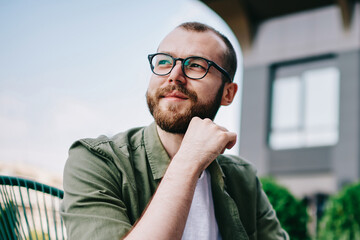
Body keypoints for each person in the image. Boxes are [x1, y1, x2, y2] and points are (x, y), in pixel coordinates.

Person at [60, 22, 288, 240]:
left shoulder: (243, 179)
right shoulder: (97, 160)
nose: (174, 75)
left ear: (228, 93)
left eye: (196, 65)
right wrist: (188, 160)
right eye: (164, 62)